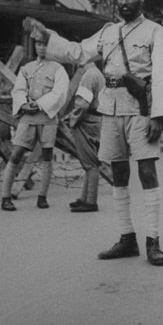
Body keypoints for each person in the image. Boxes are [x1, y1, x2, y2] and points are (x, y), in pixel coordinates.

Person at [24, 0, 163, 266]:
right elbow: (79, 52)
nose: (124, 2)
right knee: (118, 174)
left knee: (146, 172)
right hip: (111, 109)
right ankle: (126, 237)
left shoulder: (156, 32)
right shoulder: (107, 32)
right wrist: (47, 35)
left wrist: (159, 116)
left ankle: (153, 241)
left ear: (140, 0)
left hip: (141, 110)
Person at [0, 38, 69, 212]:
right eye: (38, 44)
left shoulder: (58, 69)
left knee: (47, 155)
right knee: (16, 154)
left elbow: (60, 93)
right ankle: (5, 197)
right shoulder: (27, 68)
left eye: (45, 44)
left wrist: (39, 104)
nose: (41, 47)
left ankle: (42, 196)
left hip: (47, 117)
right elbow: (18, 90)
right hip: (28, 117)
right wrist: (23, 104)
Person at [64, 60, 106, 213]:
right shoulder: (97, 74)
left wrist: (71, 119)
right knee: (90, 161)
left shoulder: (88, 76)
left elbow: (82, 104)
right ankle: (85, 197)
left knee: (89, 163)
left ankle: (91, 201)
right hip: (96, 121)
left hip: (86, 122)